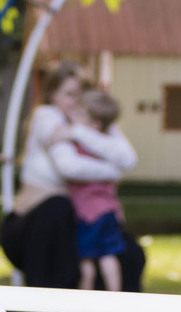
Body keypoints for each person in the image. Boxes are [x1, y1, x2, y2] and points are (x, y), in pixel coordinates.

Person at [0, 62, 144, 290]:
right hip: (34, 229)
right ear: (53, 94)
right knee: (59, 209)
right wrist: (112, 173)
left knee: (129, 255)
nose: (75, 102)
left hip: (80, 224)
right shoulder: (47, 117)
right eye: (69, 94)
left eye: (81, 94)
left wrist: (80, 131)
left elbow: (127, 158)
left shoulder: (91, 122)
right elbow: (68, 167)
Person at [68, 90, 127, 292]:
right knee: (109, 255)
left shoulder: (82, 145)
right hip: (109, 210)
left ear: (95, 124)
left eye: (80, 114)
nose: (73, 117)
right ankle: (115, 296)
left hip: (88, 213)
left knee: (86, 260)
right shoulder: (108, 146)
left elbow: (70, 169)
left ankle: (84, 301)